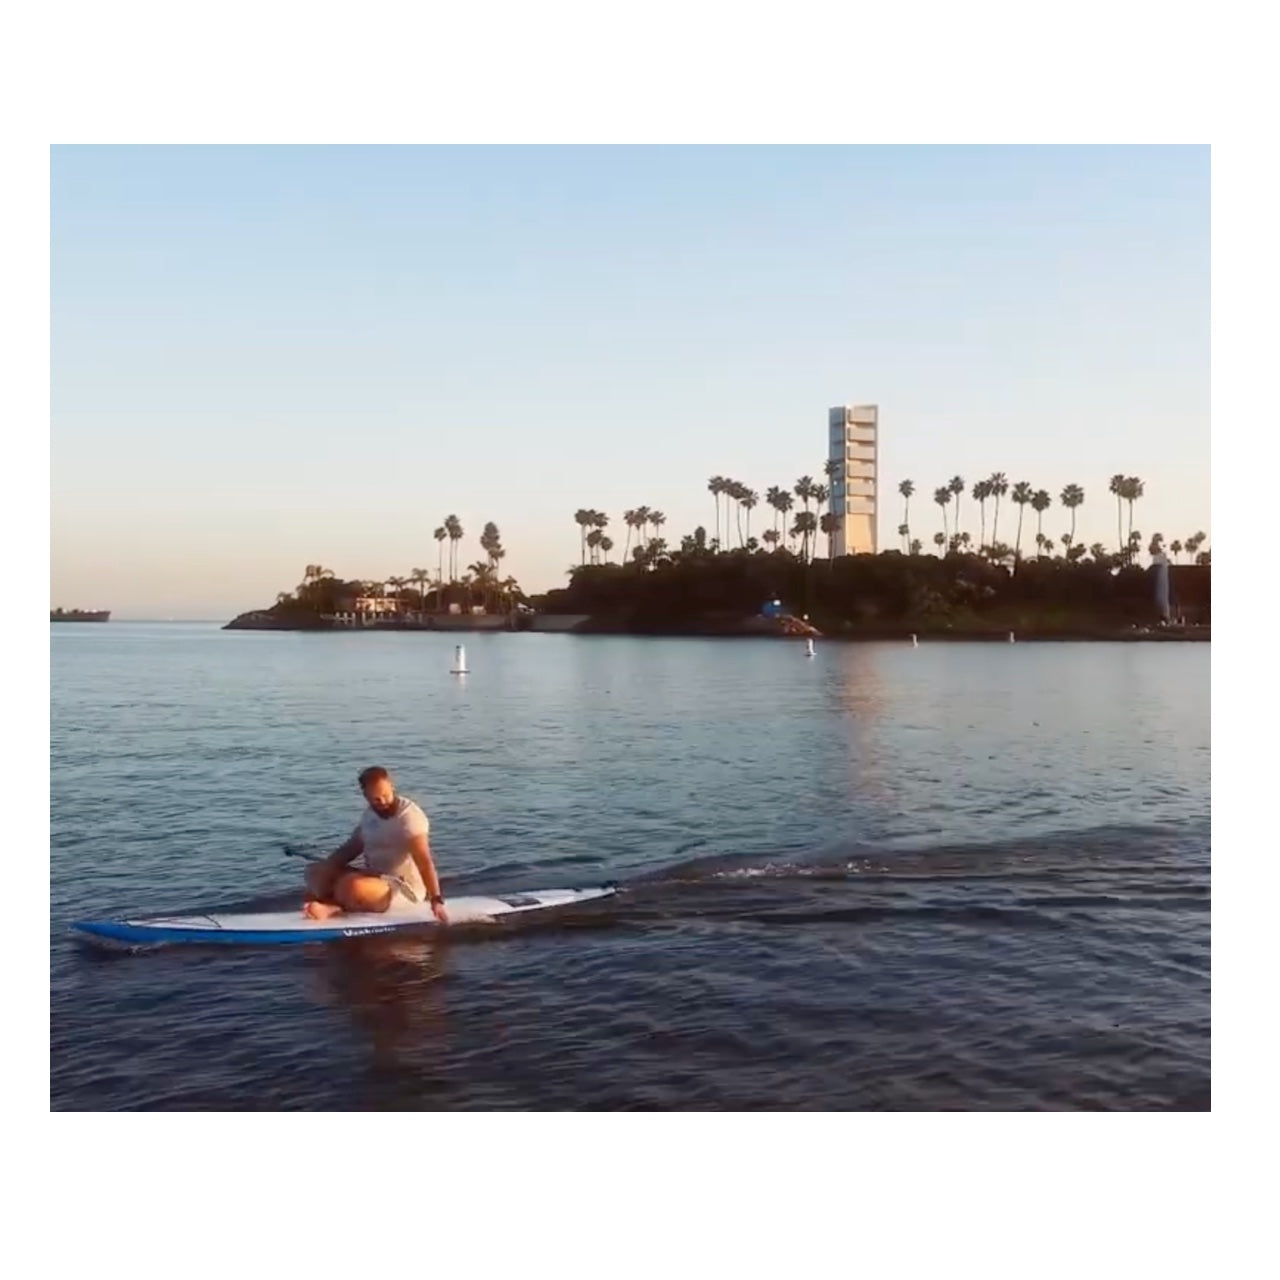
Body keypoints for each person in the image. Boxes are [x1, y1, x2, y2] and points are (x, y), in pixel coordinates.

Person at [303, 767, 448, 923]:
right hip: (374, 878)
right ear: (366, 796)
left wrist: (436, 899)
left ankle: (334, 909)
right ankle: (323, 903)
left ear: (392, 786)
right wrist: (327, 868)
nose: (383, 802)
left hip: (403, 890)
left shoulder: (409, 817)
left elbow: (425, 861)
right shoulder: (369, 816)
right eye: (376, 799)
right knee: (315, 871)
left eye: (386, 795)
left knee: (351, 885)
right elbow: (350, 849)